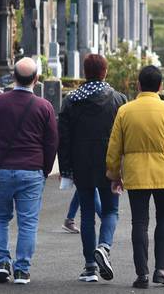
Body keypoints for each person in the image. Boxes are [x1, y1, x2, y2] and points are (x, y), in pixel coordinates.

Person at [106, 66, 164, 289]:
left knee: (139, 222)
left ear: (138, 85)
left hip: (136, 174)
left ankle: (142, 273)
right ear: (161, 86)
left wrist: (114, 174)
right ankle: (161, 269)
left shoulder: (125, 111)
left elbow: (114, 147)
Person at [0, 57, 58, 285]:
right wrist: (45, 168)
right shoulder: (44, 107)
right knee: (28, 222)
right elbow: (51, 142)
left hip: (1, 168)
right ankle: (22, 269)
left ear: (13, 77)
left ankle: (2, 262)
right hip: (31, 170)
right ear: (36, 79)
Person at [58, 54, 127, 283]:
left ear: (84, 72)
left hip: (81, 163)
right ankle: (104, 247)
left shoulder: (70, 100)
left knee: (87, 214)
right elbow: (125, 137)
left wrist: (66, 169)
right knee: (110, 210)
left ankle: (89, 267)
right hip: (109, 163)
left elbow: (64, 138)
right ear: (105, 72)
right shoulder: (118, 99)